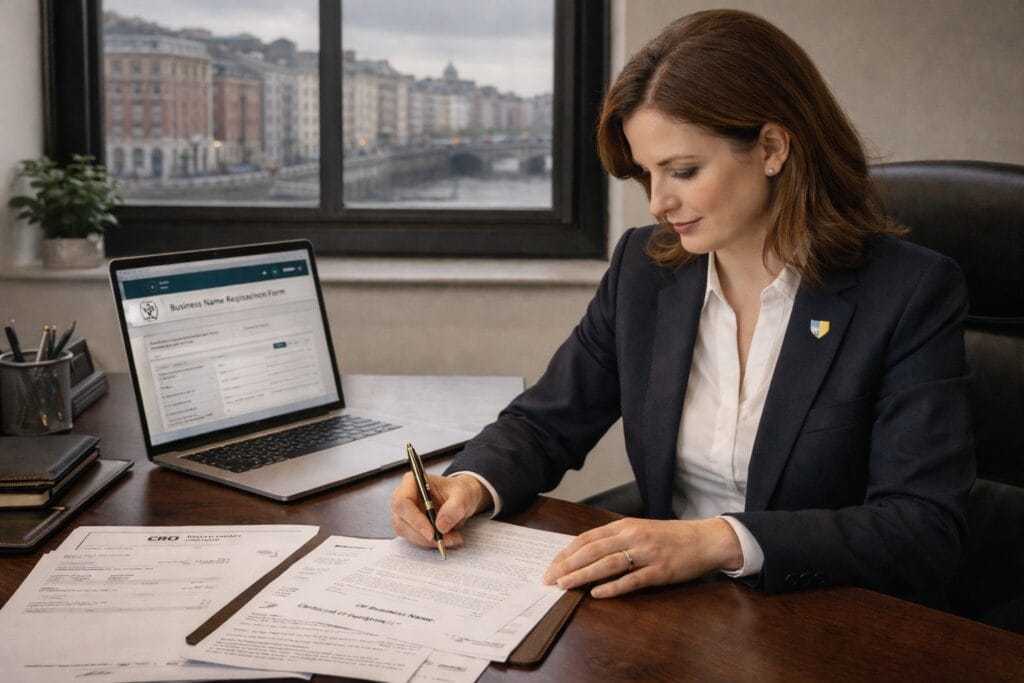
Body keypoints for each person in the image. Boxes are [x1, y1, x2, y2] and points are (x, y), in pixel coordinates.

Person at [390, 9, 974, 604]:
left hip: (824, 619)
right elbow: (545, 423)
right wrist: (466, 483)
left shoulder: (908, 293)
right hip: (670, 612)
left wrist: (718, 541)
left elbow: (922, 528)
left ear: (771, 148)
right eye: (648, 175)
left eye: (684, 171)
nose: (659, 203)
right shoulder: (645, 268)